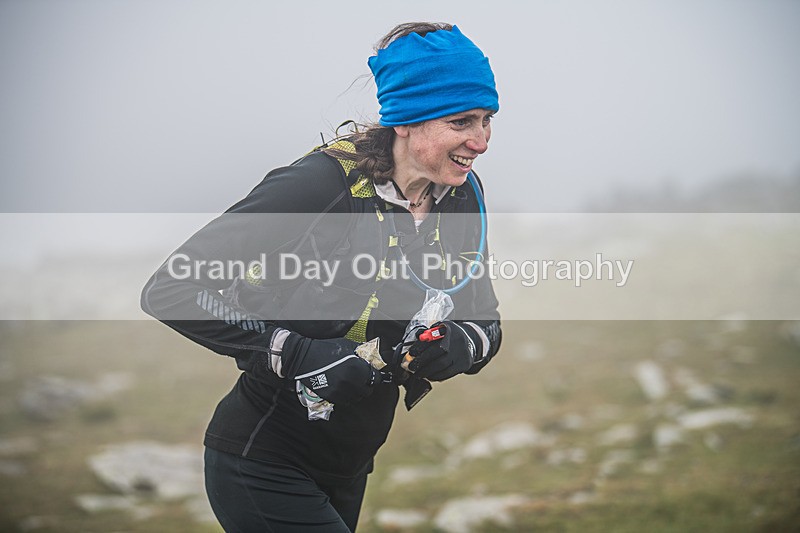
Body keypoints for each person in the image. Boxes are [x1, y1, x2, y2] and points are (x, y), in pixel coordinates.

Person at [141, 21, 502, 532]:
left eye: (487, 120)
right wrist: (296, 352)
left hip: (349, 467)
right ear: (405, 120)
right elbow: (170, 288)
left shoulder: (462, 194)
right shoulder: (319, 186)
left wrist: (459, 344)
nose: (480, 142)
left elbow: (486, 322)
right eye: (462, 121)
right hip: (262, 461)